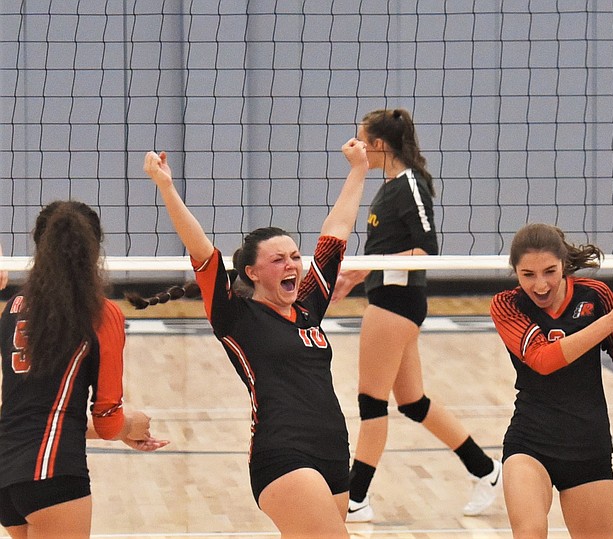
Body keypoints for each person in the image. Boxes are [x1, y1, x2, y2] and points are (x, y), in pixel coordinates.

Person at [142, 142, 366, 538]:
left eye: (295, 257)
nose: (291, 265)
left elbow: (335, 235)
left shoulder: (308, 306)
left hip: (332, 451)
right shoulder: (236, 316)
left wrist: (358, 170)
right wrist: (166, 187)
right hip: (282, 455)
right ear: (253, 271)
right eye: (278, 260)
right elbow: (201, 252)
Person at [327, 108, 501, 521]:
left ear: (380, 146)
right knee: (412, 401)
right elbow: (389, 249)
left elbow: (426, 250)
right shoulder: (388, 187)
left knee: (371, 402)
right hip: (388, 297)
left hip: (396, 302)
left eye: (361, 139)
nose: (356, 146)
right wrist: (356, 276)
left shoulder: (410, 186)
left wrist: (365, 268)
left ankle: (356, 498)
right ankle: (486, 469)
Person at [0, 200, 166, 539]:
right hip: (54, 473)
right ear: (94, 248)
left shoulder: (14, 307)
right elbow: (107, 420)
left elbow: (29, 412)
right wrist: (129, 425)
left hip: (6, 476)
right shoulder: (101, 314)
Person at [490, 223, 613, 539]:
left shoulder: (595, 295)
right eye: (528, 275)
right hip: (531, 442)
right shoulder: (507, 305)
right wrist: (610, 321)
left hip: (588, 447)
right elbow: (543, 360)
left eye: (550, 271)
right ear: (516, 272)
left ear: (564, 264)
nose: (540, 285)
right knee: (530, 533)